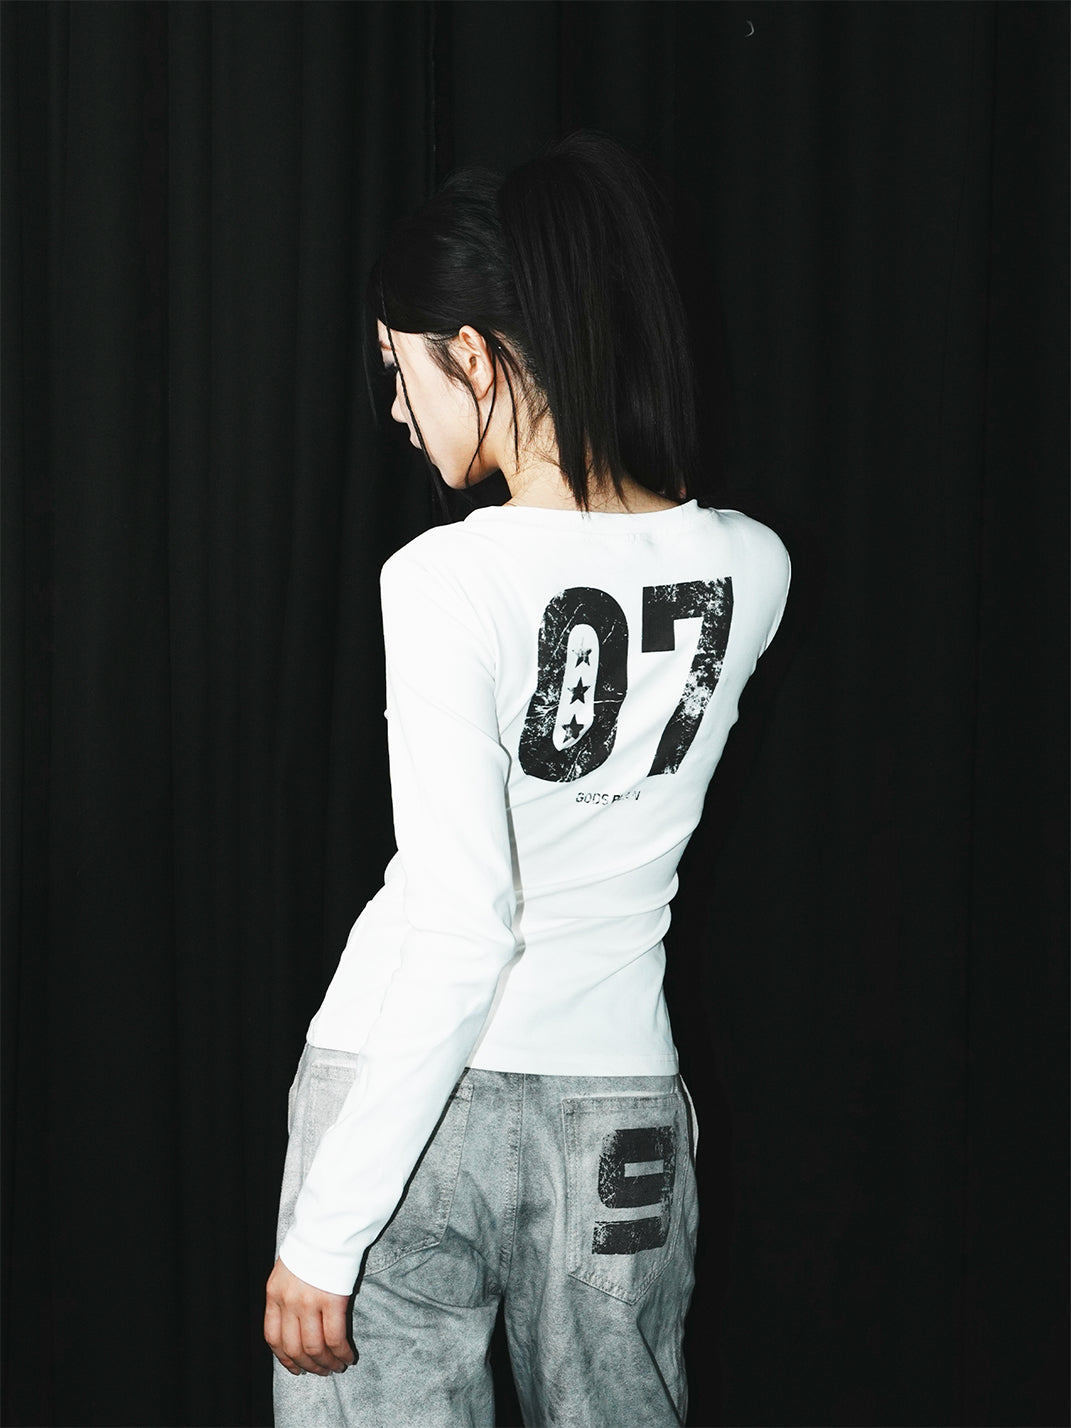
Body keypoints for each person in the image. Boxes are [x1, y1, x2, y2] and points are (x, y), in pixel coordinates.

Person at [264, 129, 790, 1428]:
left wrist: (325, 1235)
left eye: (399, 369)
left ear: (477, 358)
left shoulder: (446, 578)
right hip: (618, 1109)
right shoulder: (752, 565)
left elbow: (462, 925)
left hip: (404, 1101)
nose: (398, 411)